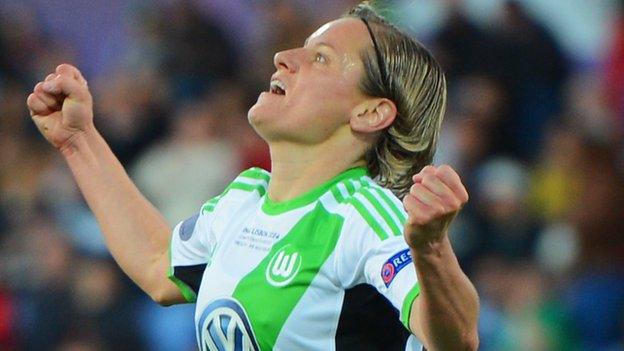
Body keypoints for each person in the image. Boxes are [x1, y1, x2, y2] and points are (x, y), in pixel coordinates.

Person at [26, 3, 479, 350]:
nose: (283, 56)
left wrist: (432, 250)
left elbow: (456, 340)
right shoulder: (242, 199)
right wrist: (78, 140)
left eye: (321, 58)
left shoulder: (366, 215)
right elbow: (157, 266)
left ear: (370, 111)